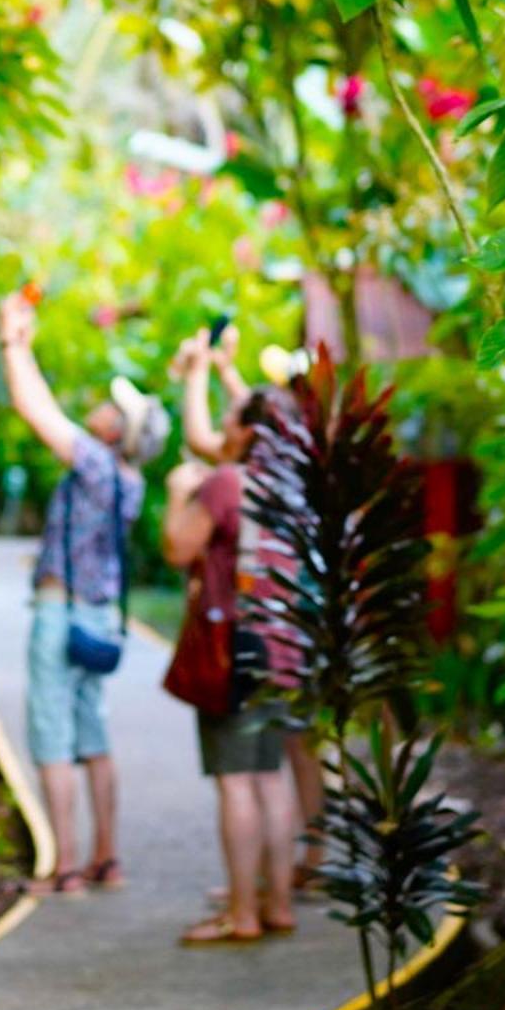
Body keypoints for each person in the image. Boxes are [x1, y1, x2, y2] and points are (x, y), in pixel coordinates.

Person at [0, 290, 165, 896]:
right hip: (98, 619)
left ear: (119, 430)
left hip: (60, 613)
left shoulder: (94, 464)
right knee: (94, 736)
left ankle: (64, 867)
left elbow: (30, 405)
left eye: (111, 408)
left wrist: (13, 339)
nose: (99, 407)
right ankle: (107, 859)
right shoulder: (131, 481)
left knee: (52, 737)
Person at [179, 325, 325, 889]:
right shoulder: (304, 456)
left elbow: (208, 439)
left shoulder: (239, 477)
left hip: (253, 633)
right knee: (292, 751)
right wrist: (221, 370)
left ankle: (256, 894)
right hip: (302, 623)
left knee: (253, 770)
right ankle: (296, 870)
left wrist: (199, 372)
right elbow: (251, 417)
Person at [164, 332, 297, 944]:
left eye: (229, 419)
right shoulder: (293, 489)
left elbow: (177, 549)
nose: (222, 426)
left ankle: (241, 913)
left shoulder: (227, 484)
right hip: (285, 646)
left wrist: (174, 497)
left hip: (235, 650)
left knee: (238, 782)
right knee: (272, 777)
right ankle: (278, 903)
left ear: (246, 432)